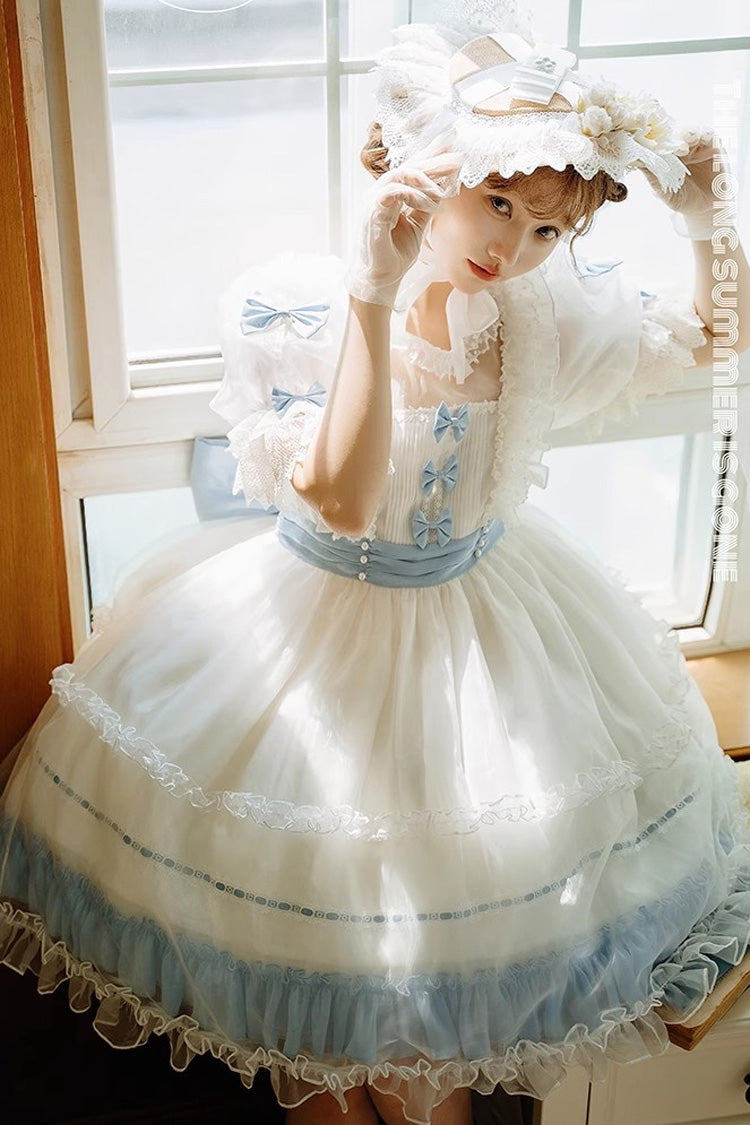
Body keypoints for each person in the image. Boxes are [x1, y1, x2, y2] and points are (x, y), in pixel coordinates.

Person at [2, 2, 749, 1124]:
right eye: (498, 202)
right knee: (317, 1003)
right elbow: (342, 498)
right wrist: (372, 291)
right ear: (425, 169)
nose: (513, 248)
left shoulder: (536, 317)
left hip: (486, 635)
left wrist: (705, 217)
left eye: (548, 230)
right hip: (313, 636)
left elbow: (715, 333)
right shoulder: (301, 305)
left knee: (429, 1043)